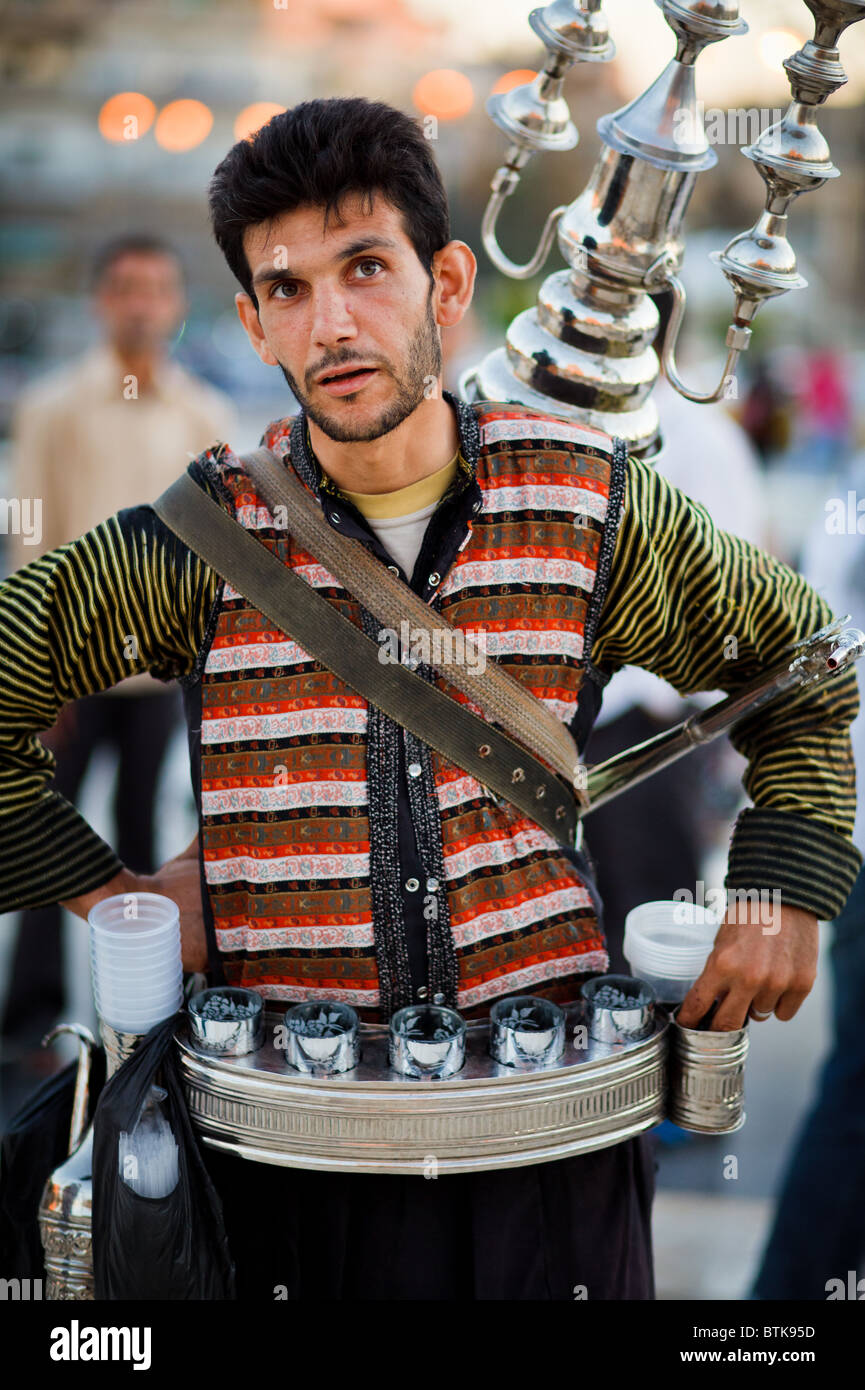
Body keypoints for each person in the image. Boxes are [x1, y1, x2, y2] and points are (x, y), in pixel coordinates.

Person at [0, 97, 859, 1301]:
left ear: (446, 282)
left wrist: (781, 893)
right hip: (277, 1176)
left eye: (366, 268)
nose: (333, 322)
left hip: (549, 1163)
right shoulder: (195, 542)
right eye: (287, 289)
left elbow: (809, 666)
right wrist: (117, 897)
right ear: (250, 324)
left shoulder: (589, 507)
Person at [0, 235, 236, 1062]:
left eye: (158, 289)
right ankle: (27, 1028)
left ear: (176, 305)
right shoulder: (53, 407)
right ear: (103, 300)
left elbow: (218, 557)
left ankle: (144, 1023)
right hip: (67, 676)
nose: (142, 304)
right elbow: (29, 532)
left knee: (143, 849)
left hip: (160, 677)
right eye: (126, 288)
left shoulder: (203, 414)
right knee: (40, 841)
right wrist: (36, 675)